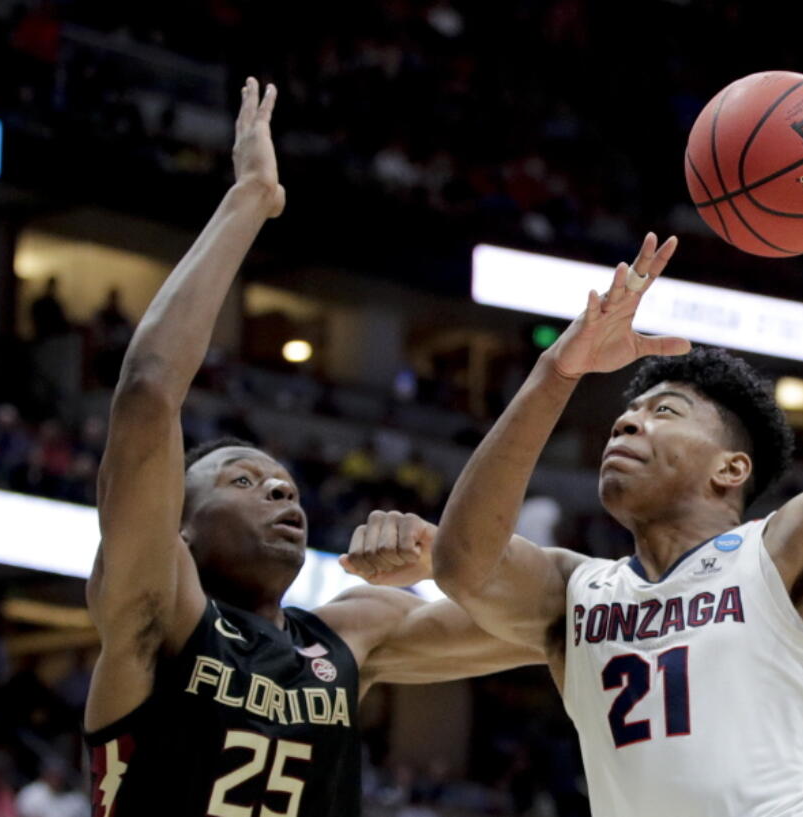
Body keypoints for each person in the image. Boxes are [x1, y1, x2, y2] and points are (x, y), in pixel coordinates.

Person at [431, 72, 803, 817]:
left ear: (732, 468)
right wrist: (557, 370)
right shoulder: (578, 594)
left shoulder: (789, 549)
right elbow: (462, 563)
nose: (628, 422)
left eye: (664, 409)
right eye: (627, 413)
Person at [84, 78, 540, 817]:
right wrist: (250, 200)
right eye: (241, 480)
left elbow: (548, 621)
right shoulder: (155, 608)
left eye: (284, 484)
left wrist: (444, 557)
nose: (278, 490)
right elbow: (146, 394)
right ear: (181, 525)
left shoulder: (354, 632)